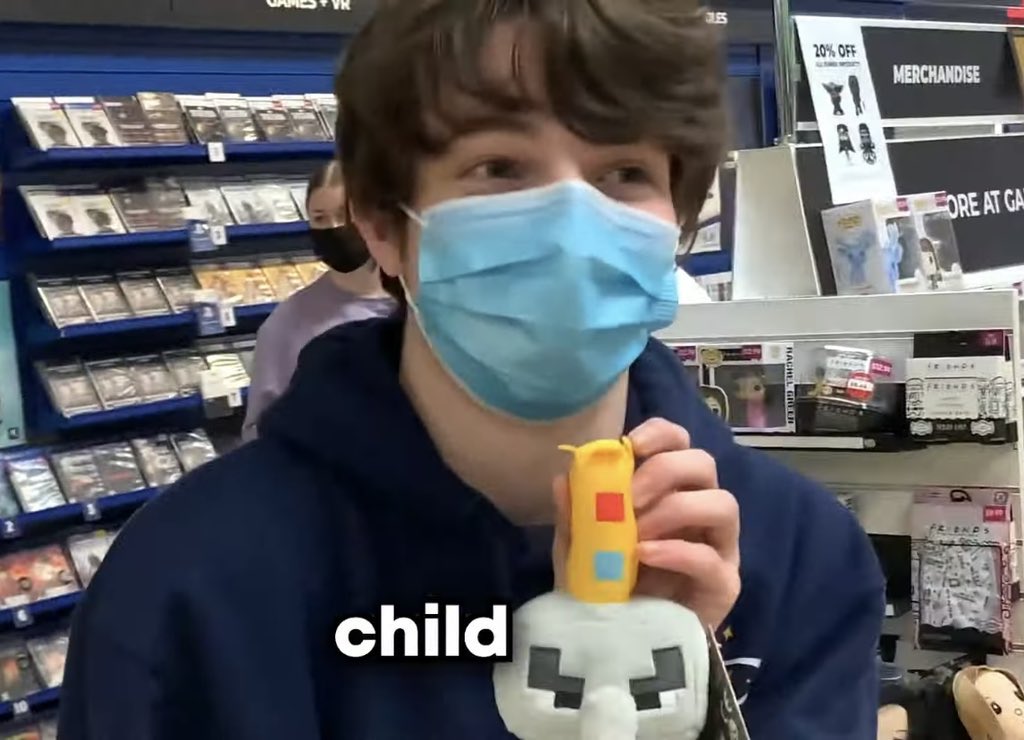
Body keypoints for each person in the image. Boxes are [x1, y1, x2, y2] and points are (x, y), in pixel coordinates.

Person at [59, 3, 884, 739]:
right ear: (382, 225)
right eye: (499, 168)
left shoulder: (798, 558)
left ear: (680, 221)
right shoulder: (193, 586)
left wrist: (671, 703)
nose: (571, 223)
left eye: (623, 173)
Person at [241, 162, 394, 440]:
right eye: (320, 218)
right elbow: (259, 433)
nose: (333, 228)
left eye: (343, 215)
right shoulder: (286, 324)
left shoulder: (416, 305)